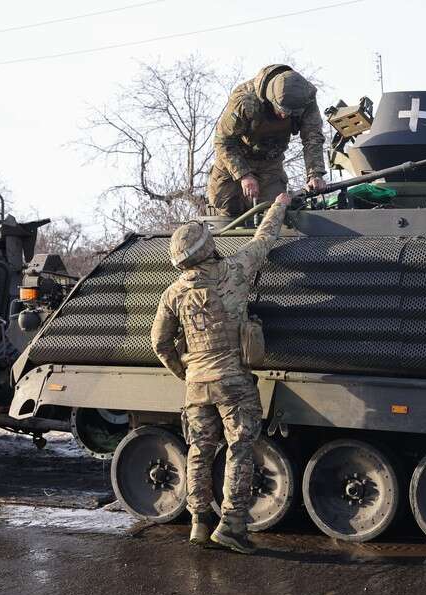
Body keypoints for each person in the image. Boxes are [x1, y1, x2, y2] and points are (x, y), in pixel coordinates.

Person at [150, 192, 291, 554]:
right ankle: (231, 525)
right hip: (234, 382)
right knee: (240, 450)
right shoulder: (236, 270)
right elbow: (265, 238)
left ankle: (198, 522)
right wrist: (281, 204)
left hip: (196, 384)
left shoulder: (173, 293)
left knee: (199, 449)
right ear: (208, 246)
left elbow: (160, 343)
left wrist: (184, 372)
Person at [209, 64, 326, 217]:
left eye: (290, 113)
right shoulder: (246, 100)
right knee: (227, 206)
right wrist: (244, 175)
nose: (285, 116)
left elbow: (312, 137)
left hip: (271, 163)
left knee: (273, 212)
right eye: (282, 110)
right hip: (237, 157)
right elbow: (223, 141)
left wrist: (315, 174)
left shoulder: (305, 98)